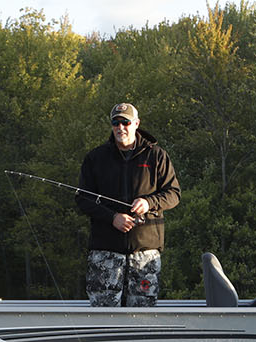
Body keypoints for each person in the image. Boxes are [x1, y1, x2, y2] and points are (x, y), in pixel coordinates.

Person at [76, 102, 181, 306]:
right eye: (116, 122)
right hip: (105, 252)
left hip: (145, 252)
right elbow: (82, 198)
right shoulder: (95, 158)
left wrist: (149, 203)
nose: (120, 127)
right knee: (102, 314)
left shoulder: (157, 156)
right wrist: (112, 217)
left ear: (136, 124)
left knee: (142, 315)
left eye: (125, 122)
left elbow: (173, 194)